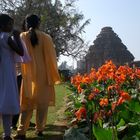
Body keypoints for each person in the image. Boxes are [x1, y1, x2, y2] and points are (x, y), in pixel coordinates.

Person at [14, 14, 60, 139]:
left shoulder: (22, 36)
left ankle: (21, 131)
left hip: (28, 75)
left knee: (26, 104)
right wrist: (53, 75)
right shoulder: (46, 37)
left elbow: (17, 56)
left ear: (26, 23)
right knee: (42, 105)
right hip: (44, 75)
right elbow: (52, 59)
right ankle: (40, 129)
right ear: (39, 23)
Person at [0, 14, 24, 140]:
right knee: (7, 101)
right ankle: (7, 135)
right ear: (2, 25)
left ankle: (7, 134)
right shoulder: (6, 37)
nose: (11, 27)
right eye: (9, 24)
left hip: (2, 70)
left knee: (2, 100)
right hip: (7, 71)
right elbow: (21, 52)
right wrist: (17, 37)